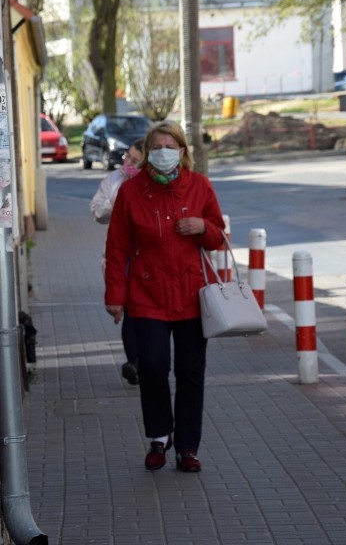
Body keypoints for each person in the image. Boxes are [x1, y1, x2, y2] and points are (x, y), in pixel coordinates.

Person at [104, 121, 225, 473]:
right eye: (156, 147)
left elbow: (218, 236)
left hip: (191, 295)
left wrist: (203, 227)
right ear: (147, 152)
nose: (163, 153)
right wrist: (115, 296)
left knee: (191, 373)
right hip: (147, 293)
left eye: (170, 147)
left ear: (183, 151)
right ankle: (160, 436)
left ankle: (187, 446)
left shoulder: (199, 186)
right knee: (153, 368)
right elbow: (116, 248)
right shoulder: (131, 192)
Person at [90, 139, 145, 385]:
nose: (128, 164)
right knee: (129, 308)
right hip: (120, 254)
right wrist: (116, 204)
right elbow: (97, 210)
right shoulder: (114, 180)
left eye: (135, 161)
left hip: (145, 255)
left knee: (141, 309)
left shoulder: (151, 183)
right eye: (127, 157)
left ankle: (142, 362)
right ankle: (135, 363)